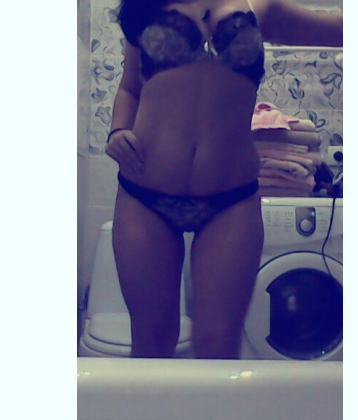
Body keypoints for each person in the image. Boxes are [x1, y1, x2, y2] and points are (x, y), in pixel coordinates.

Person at [105, 0, 343, 359]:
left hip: (231, 200)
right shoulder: (147, 5)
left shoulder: (259, 6)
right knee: (151, 340)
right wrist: (118, 130)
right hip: (144, 193)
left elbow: (340, 29)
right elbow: (130, 88)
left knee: (218, 345)